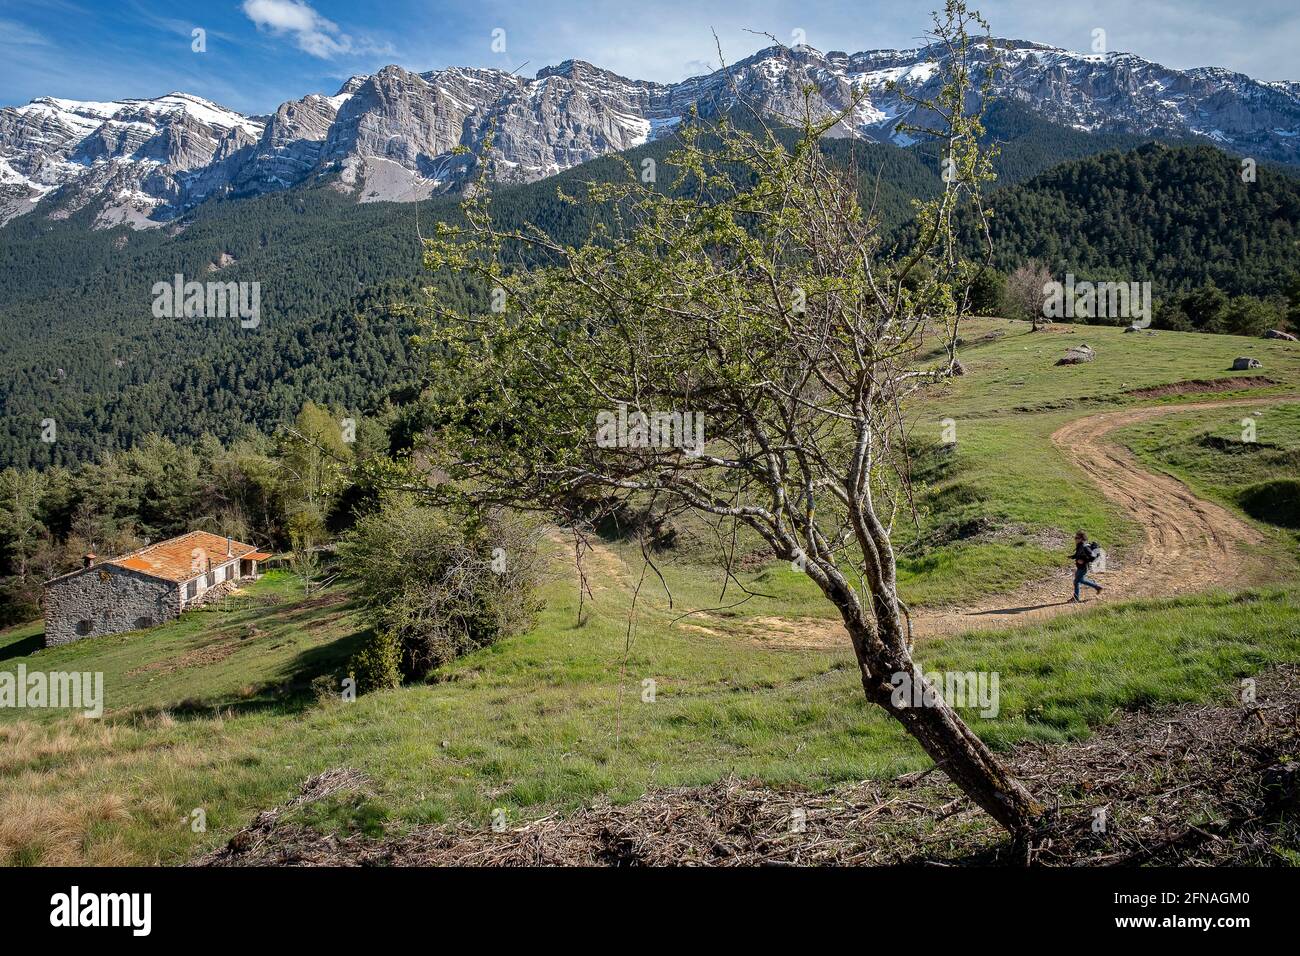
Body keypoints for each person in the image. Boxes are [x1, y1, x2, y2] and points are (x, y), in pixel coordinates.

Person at [1070, 531, 1103, 602]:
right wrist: (1072, 557)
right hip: (1080, 567)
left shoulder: (1085, 547)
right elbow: (1078, 554)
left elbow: (1093, 557)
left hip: (1083, 568)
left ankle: (1076, 598)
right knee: (1080, 580)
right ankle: (1097, 587)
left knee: (1076, 581)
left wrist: (1083, 561)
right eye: (1075, 537)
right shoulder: (1079, 545)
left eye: (1077, 538)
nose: (1075, 539)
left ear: (1081, 539)